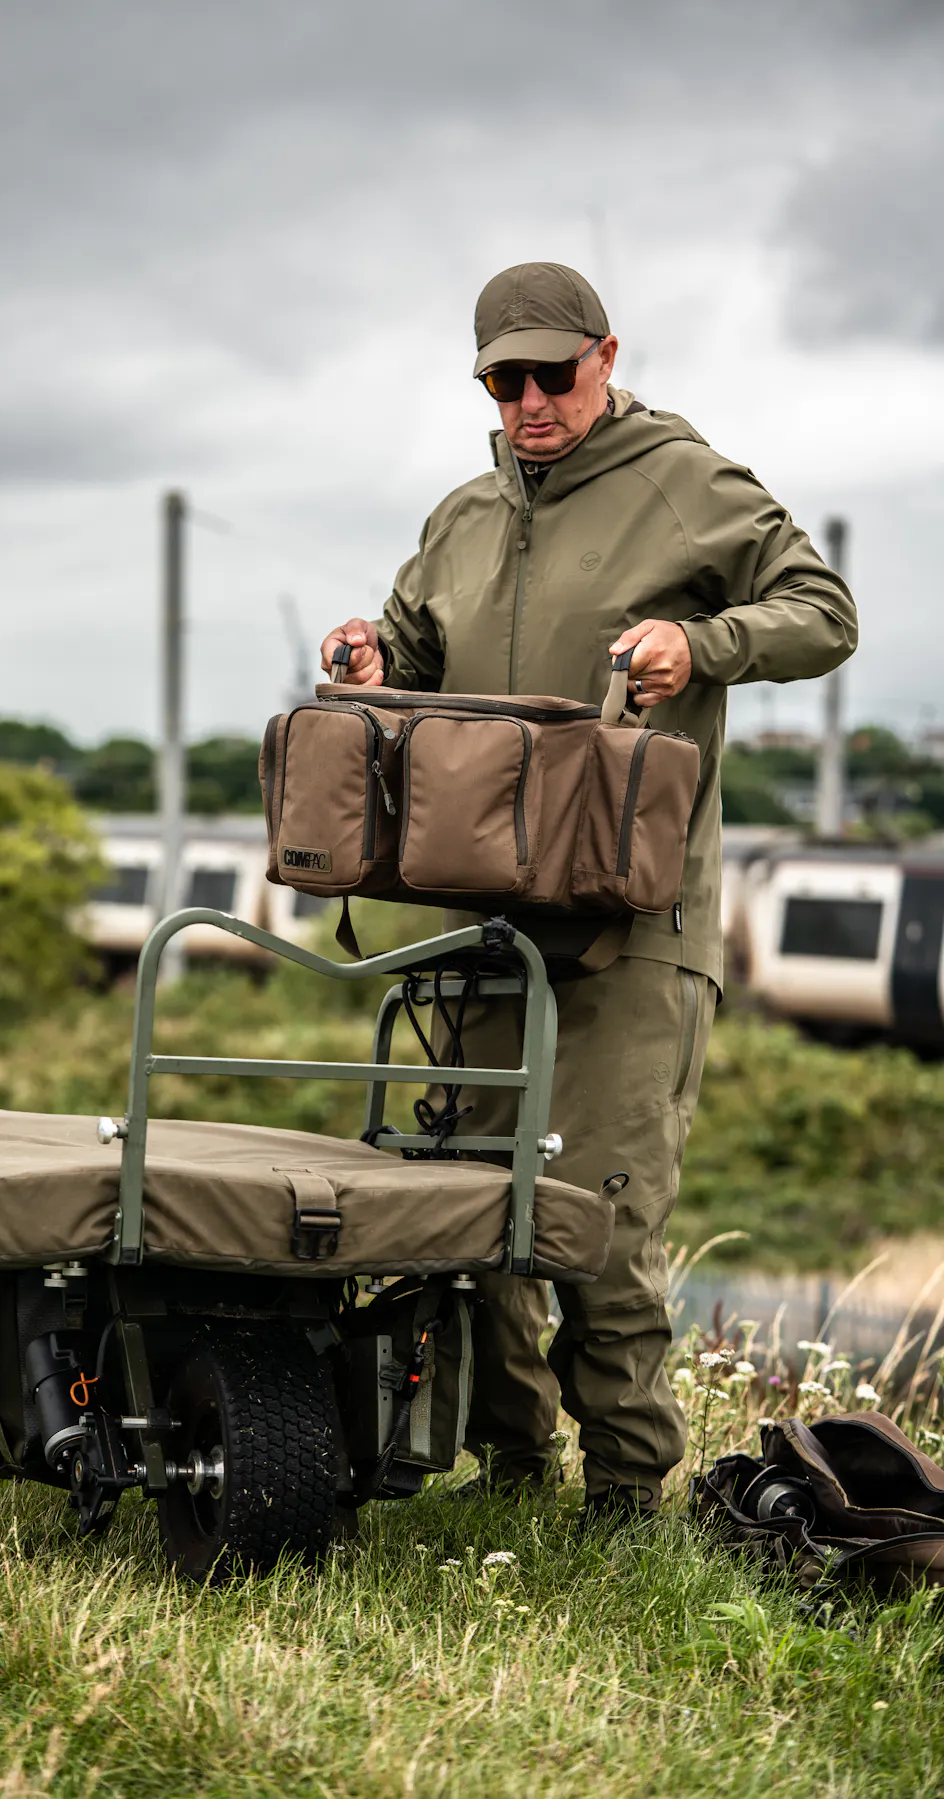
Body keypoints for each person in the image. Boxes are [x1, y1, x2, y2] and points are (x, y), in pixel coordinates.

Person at [320, 261, 858, 1518]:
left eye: (551, 374)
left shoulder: (689, 485)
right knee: (467, 1201)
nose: (529, 401)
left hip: (638, 926)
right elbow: (410, 648)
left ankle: (623, 1499)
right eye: (503, 380)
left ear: (605, 355)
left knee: (597, 1217)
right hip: (486, 926)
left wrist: (705, 643)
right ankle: (514, 1475)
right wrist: (368, 656)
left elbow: (824, 610)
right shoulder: (461, 517)